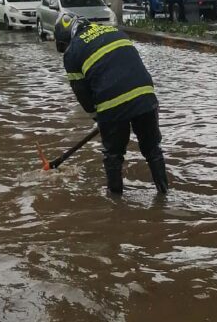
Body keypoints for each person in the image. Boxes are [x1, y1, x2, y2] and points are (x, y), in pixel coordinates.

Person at [54, 12, 169, 195]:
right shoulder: (113, 31)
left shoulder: (72, 52)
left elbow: (83, 95)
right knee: (152, 149)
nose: (64, 48)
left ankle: (115, 205)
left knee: (113, 155)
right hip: (146, 96)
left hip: (111, 103)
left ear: (66, 36)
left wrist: (98, 117)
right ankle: (164, 193)